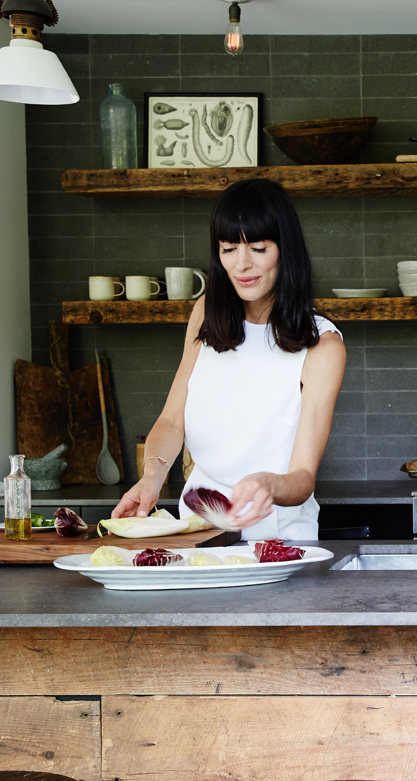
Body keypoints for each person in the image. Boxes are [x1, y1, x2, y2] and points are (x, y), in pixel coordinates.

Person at [111, 178, 345, 540]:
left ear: (285, 249)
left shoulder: (322, 346)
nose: (242, 264)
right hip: (197, 534)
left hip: (277, 540)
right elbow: (172, 420)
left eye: (258, 248)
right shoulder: (206, 312)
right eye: (229, 248)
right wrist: (151, 480)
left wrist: (269, 483)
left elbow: (302, 479)